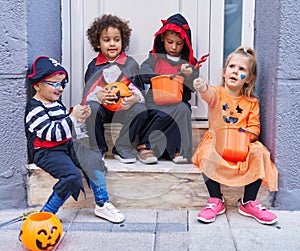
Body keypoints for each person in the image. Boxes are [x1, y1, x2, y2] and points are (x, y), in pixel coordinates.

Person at [25, 56, 125, 223]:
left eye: (63, 84)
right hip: (46, 151)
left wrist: (80, 120)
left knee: (93, 159)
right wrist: (71, 118)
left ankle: (102, 203)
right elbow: (52, 133)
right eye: (55, 84)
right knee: (71, 176)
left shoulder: (56, 104)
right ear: (37, 85)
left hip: (65, 144)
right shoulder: (34, 109)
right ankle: (47, 213)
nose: (61, 88)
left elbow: (68, 130)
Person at [192, 47, 278, 224]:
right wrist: (202, 87)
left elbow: (254, 127)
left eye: (241, 70)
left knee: (260, 153)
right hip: (218, 141)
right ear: (224, 72)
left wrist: (246, 136)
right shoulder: (217, 93)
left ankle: (248, 202)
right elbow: (207, 95)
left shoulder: (251, 102)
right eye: (231, 67)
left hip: (241, 143)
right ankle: (216, 199)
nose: (235, 71)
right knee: (206, 152)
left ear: (248, 79)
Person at [82, 14, 157, 164]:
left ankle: (122, 147)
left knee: (140, 110)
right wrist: (98, 96)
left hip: (124, 109)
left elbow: (138, 90)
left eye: (116, 40)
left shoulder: (130, 64)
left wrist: (135, 98)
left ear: (123, 42)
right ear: (98, 43)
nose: (112, 44)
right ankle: (98, 148)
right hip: (103, 110)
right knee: (92, 108)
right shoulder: (93, 65)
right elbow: (88, 93)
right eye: (106, 40)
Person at [139, 13, 199, 164]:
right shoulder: (155, 58)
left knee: (183, 109)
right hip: (156, 101)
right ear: (162, 40)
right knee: (163, 111)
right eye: (169, 42)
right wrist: (158, 76)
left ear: (185, 43)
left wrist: (189, 74)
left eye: (179, 43)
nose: (174, 47)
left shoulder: (189, 63)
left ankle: (179, 150)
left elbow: (193, 86)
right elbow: (143, 72)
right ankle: (145, 145)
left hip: (178, 101)